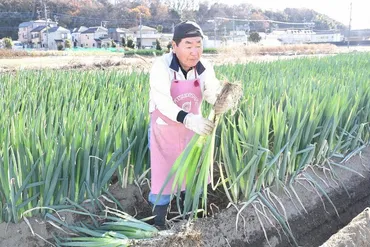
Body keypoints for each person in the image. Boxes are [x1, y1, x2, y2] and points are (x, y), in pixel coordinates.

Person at [148, 21, 228, 229]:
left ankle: (188, 222)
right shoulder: (161, 67)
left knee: (190, 174)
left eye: (199, 44)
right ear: (174, 46)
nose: (195, 51)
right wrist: (189, 119)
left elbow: (210, 92)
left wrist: (222, 98)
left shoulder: (204, 68)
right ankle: (159, 225)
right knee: (163, 176)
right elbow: (163, 102)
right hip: (165, 130)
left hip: (192, 130)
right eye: (188, 45)